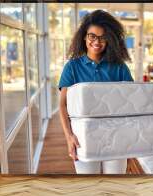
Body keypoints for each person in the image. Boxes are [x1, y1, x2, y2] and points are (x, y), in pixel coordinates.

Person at [58, 10, 133, 174]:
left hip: (116, 137)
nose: (97, 41)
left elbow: (131, 103)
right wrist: (69, 137)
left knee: (114, 188)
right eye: (92, 36)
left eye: (103, 37)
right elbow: (63, 106)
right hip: (83, 139)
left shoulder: (119, 67)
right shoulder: (72, 67)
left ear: (110, 39)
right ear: (84, 37)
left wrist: (130, 135)